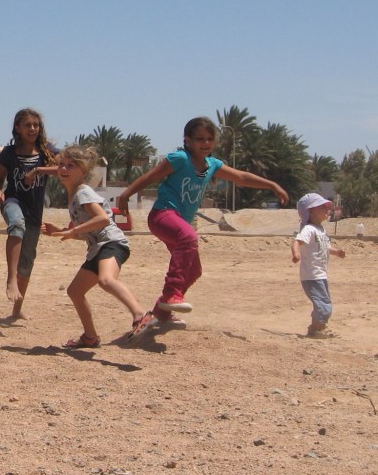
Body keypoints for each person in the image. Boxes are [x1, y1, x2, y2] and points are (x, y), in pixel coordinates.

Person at [117, 117, 289, 327]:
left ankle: (161, 311)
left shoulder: (212, 165)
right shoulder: (180, 159)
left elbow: (242, 177)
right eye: (199, 139)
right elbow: (151, 176)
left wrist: (272, 185)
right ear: (187, 140)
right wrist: (125, 195)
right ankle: (171, 294)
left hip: (180, 223)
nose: (205, 143)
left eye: (209, 139)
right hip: (163, 215)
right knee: (189, 236)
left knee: (194, 270)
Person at [44, 146, 151, 348]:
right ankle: (90, 337)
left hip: (112, 242)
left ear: (83, 171)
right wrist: (60, 231)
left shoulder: (82, 192)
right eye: (61, 165)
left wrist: (72, 231)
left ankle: (141, 315)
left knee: (106, 280)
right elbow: (89, 232)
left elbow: (102, 219)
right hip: (97, 247)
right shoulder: (74, 195)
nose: (63, 169)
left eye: (70, 166)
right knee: (75, 291)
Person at [0, 108, 58, 319]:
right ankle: (11, 279)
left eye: (36, 125)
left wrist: (39, 170)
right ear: (17, 128)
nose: (32, 129)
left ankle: (17, 309)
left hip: (35, 211)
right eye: (28, 125)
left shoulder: (47, 152)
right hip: (12, 201)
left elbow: (64, 169)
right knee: (16, 224)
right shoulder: (9, 153)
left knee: (27, 260)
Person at [292, 193, 345, 339]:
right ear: (311, 211)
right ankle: (317, 329)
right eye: (323, 207)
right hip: (312, 275)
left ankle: (316, 328)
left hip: (320, 274)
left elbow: (325, 247)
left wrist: (337, 252)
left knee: (323, 302)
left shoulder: (321, 230)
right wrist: (296, 253)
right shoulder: (309, 229)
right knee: (324, 304)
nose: (328, 209)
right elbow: (297, 241)